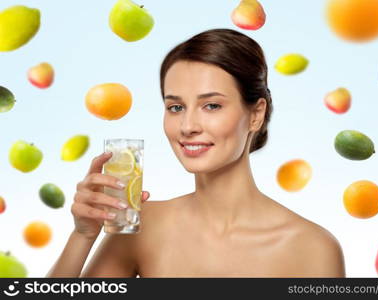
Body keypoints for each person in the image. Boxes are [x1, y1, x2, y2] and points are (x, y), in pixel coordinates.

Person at [47, 28, 345, 278]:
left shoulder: (312, 248)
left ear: (255, 114)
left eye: (212, 105)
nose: (187, 126)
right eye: (175, 107)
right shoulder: (141, 227)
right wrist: (82, 236)